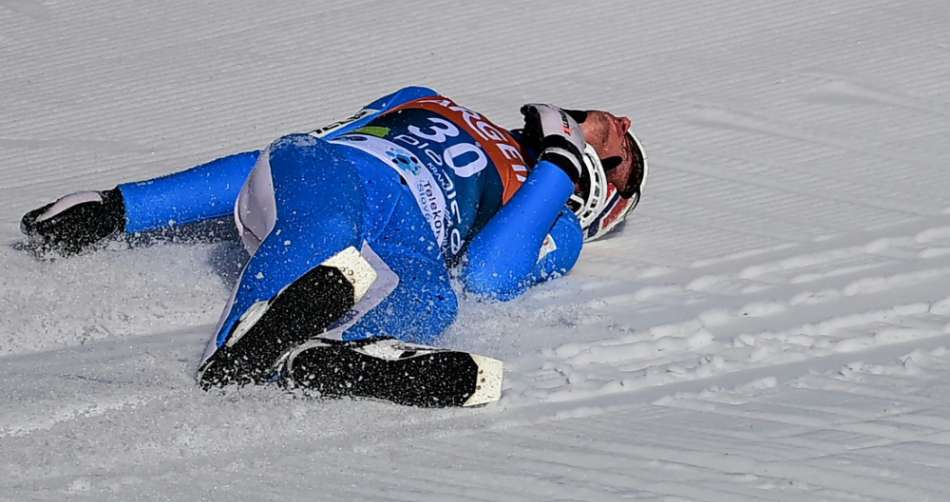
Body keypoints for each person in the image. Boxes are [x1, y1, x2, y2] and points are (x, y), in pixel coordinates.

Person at [20, 86, 648, 406]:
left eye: (624, 151)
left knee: (435, 301)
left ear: (605, 196)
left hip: (408, 242)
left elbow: (488, 274)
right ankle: (243, 351)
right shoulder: (428, 98)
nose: (619, 123)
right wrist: (122, 208)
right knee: (326, 218)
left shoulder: (559, 223)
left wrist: (559, 164)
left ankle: (313, 355)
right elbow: (286, 158)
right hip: (336, 176)